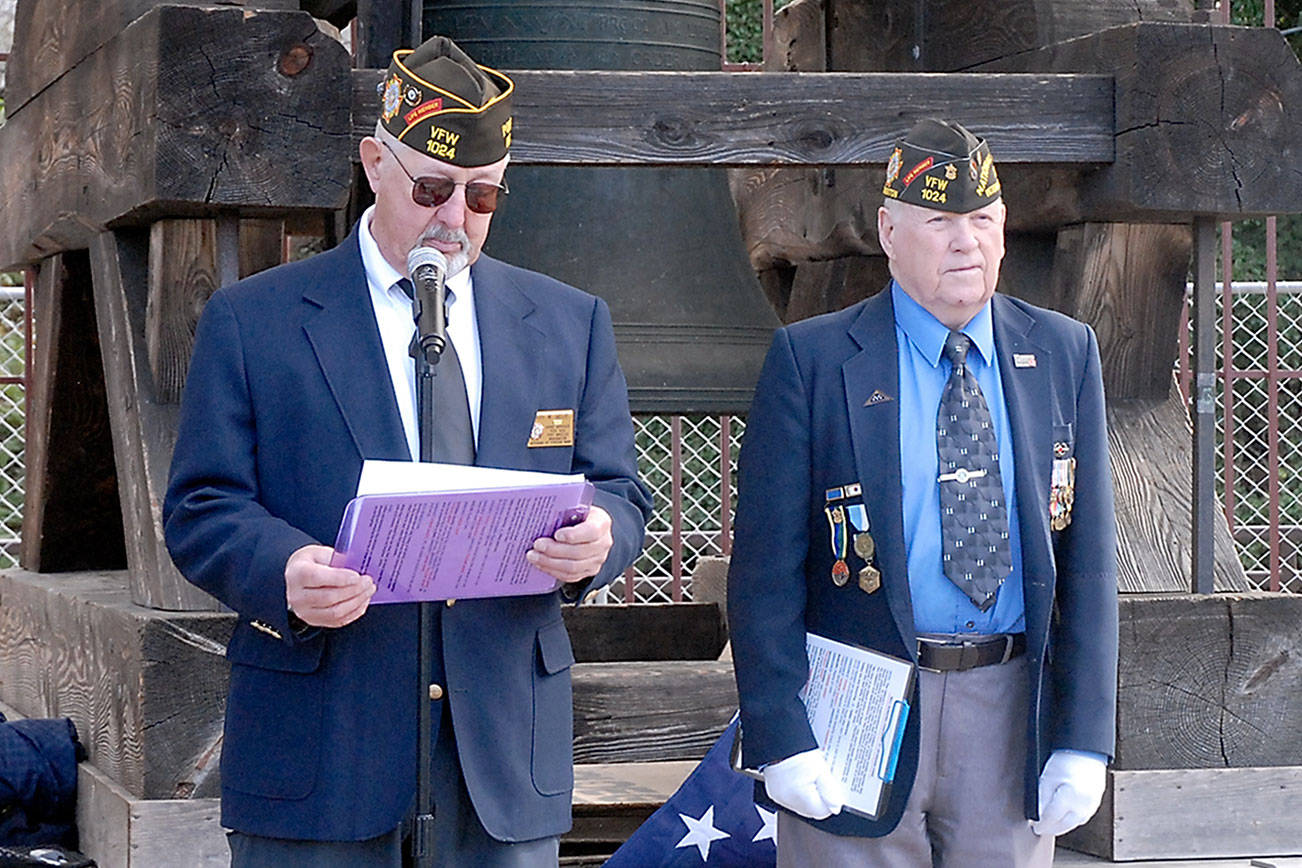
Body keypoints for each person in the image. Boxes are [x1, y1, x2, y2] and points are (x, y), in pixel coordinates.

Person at [163, 35, 651, 867]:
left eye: (483, 197)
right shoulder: (256, 320)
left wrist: (599, 537)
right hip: (322, 745)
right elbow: (202, 505)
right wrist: (284, 570)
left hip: (498, 755)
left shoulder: (570, 323)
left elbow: (618, 491)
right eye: (431, 187)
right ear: (373, 163)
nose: (454, 219)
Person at [726, 118, 1118, 866]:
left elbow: (1091, 562)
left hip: (1009, 707)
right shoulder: (812, 361)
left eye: (983, 219)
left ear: (1003, 230)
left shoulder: (1064, 351)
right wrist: (780, 732)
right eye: (939, 220)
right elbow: (764, 572)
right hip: (854, 707)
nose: (965, 241)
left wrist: (1084, 735)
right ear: (888, 230)